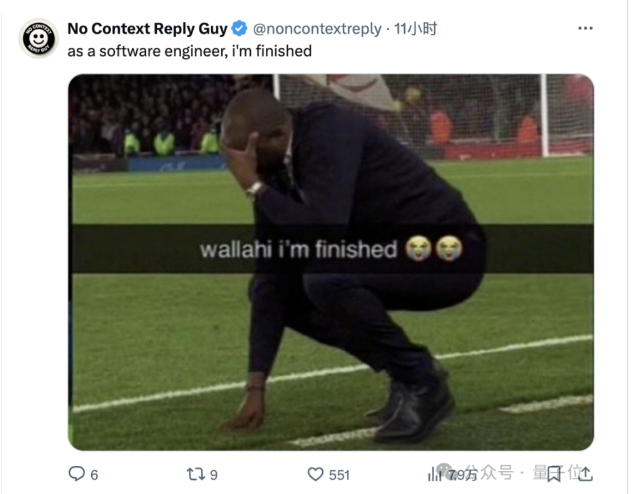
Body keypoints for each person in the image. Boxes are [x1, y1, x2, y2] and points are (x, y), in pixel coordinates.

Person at [220, 88, 485, 444]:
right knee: (279, 290)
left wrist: (254, 187)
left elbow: (327, 231)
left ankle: (422, 381)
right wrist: (255, 386)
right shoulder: (272, 169)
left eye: (249, 153)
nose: (242, 164)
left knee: (326, 279)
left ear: (278, 135)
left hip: (450, 251)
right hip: (393, 250)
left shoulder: (328, 131)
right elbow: (272, 272)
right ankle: (403, 372)